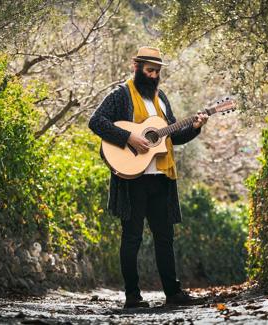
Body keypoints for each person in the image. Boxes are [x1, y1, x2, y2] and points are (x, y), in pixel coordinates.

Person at [88, 46, 208, 308]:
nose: (153, 76)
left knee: (165, 237)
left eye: (157, 71)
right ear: (137, 66)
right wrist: (128, 136)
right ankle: (132, 297)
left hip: (161, 178)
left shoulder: (161, 99)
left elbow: (173, 136)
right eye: (149, 70)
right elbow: (96, 122)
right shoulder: (121, 95)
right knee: (132, 237)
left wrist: (195, 127)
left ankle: (173, 293)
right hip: (133, 178)